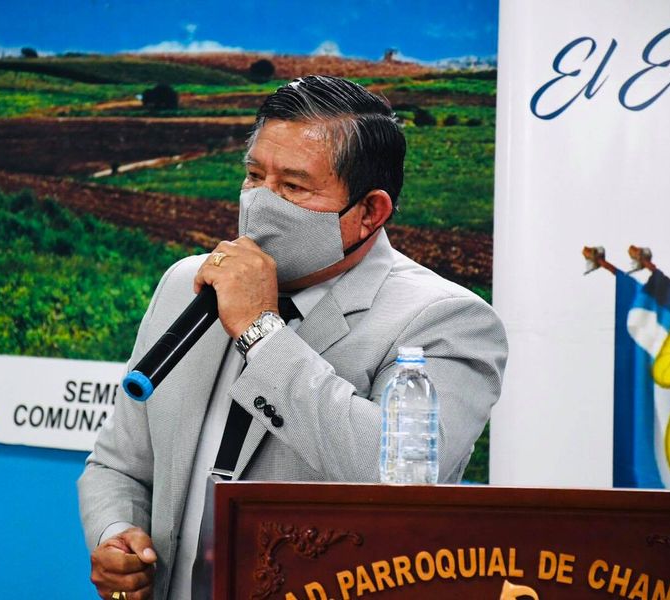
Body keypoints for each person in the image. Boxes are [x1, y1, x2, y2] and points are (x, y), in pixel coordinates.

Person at [78, 75, 508, 600]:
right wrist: (116, 534)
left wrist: (261, 332)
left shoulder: (446, 320)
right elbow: (118, 464)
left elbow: (397, 485)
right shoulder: (184, 283)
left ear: (369, 212)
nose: (262, 202)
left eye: (294, 187)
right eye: (254, 175)